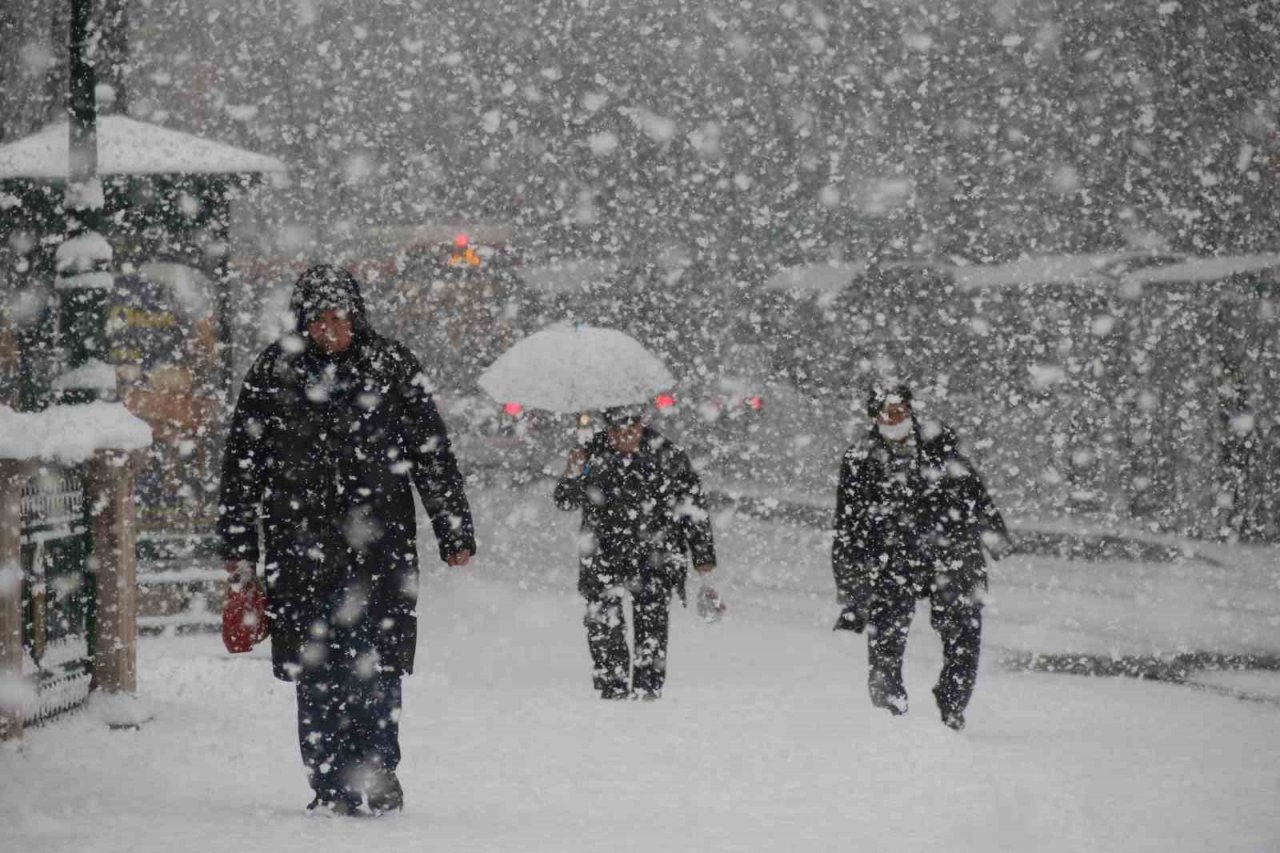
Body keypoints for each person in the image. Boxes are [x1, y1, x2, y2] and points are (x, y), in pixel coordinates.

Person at [218, 264, 476, 815]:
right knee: (317, 672)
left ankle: (379, 772)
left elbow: (431, 452)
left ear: (356, 317)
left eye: (339, 318)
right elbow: (242, 466)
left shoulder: (391, 365)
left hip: (378, 548)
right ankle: (330, 782)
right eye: (318, 320)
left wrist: (453, 526)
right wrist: (240, 551)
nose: (329, 330)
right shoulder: (275, 371)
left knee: (378, 665)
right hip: (301, 548)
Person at [831, 384, 1010, 730]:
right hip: (890, 559)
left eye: (900, 410)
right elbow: (847, 525)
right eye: (886, 412)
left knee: (963, 635)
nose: (894, 418)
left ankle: (953, 703)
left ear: (910, 411)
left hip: (950, 552)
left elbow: (972, 490)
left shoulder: (940, 445)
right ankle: (889, 711)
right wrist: (852, 591)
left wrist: (994, 535)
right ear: (874, 417)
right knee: (885, 639)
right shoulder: (859, 459)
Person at [554, 404, 716, 700]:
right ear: (608, 428)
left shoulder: (668, 454)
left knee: (652, 629)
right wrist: (573, 473)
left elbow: (692, 509)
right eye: (617, 430)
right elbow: (565, 501)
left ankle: (648, 692)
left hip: (655, 553)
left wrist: (703, 557)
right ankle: (612, 689)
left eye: (631, 430)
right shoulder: (590, 452)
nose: (624, 437)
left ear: (642, 425)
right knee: (604, 626)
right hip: (603, 554)